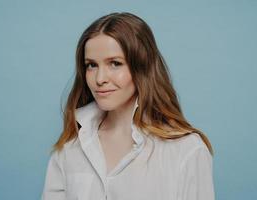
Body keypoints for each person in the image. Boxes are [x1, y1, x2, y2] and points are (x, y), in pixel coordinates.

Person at [41, 12, 215, 200]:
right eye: (91, 65)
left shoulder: (186, 150)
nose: (100, 79)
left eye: (115, 63)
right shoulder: (70, 147)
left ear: (143, 67)